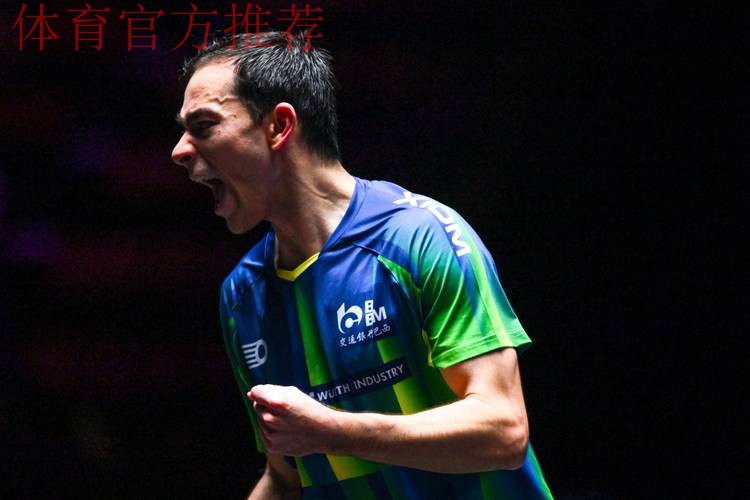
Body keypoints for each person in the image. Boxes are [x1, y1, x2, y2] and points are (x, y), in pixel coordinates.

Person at [172, 31, 552, 499]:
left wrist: (332, 431)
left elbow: (503, 431)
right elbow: (288, 476)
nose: (179, 150)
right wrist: (316, 438)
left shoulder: (417, 238)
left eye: (204, 125)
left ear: (279, 126)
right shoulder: (243, 296)